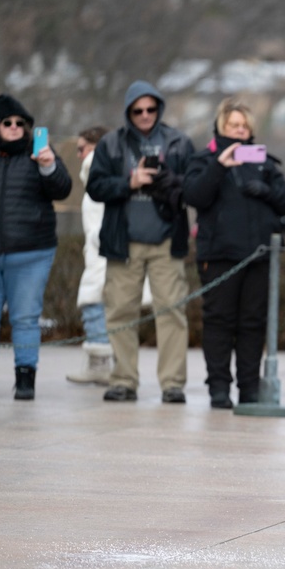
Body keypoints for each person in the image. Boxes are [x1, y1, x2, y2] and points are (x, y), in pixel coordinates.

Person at [183, 98, 285, 409]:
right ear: (222, 126)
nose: (239, 131)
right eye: (234, 125)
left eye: (244, 126)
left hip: (258, 257)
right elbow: (194, 196)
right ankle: (219, 388)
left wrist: (267, 191)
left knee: (252, 324)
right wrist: (219, 166)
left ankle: (249, 389)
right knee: (219, 322)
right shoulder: (203, 159)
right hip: (219, 256)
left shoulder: (263, 161)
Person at [87, 80, 194, 404]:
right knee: (121, 312)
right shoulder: (111, 144)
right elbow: (96, 187)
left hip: (166, 240)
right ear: (128, 112)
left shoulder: (178, 142)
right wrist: (129, 182)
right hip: (125, 241)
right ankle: (123, 380)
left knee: (172, 312)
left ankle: (173, 384)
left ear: (159, 108)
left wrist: (167, 181)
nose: (145, 115)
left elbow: (194, 186)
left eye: (151, 109)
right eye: (138, 110)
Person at [0, 94, 73, 400]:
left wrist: (48, 166)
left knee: (25, 317)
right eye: (7, 122)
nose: (15, 127)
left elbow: (63, 188)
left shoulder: (40, 152)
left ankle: (25, 379)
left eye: (20, 123)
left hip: (31, 251)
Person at [66, 125, 114, 385]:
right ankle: (107, 363)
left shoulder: (95, 167)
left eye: (82, 148)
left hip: (101, 253)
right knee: (105, 308)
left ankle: (100, 364)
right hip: (103, 251)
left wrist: (98, 242)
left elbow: (99, 218)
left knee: (93, 304)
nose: (79, 155)